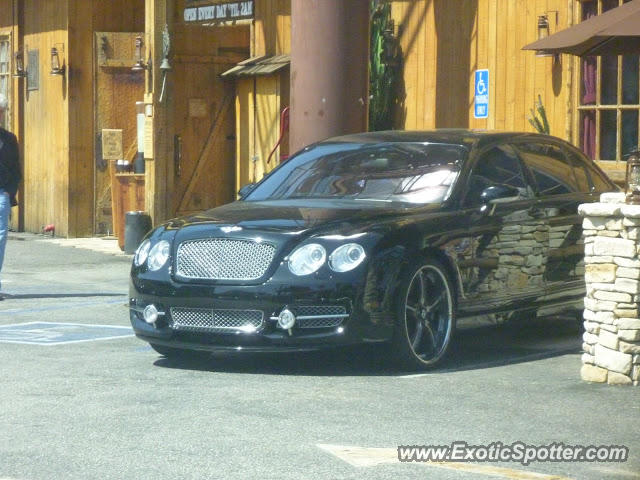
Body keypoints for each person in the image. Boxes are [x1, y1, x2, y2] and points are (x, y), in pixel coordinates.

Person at [0, 93, 21, 299]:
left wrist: (9, 190)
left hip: (1, 194)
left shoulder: (9, 138)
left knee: (0, 239)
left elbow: (16, 169)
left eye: (1, 111)